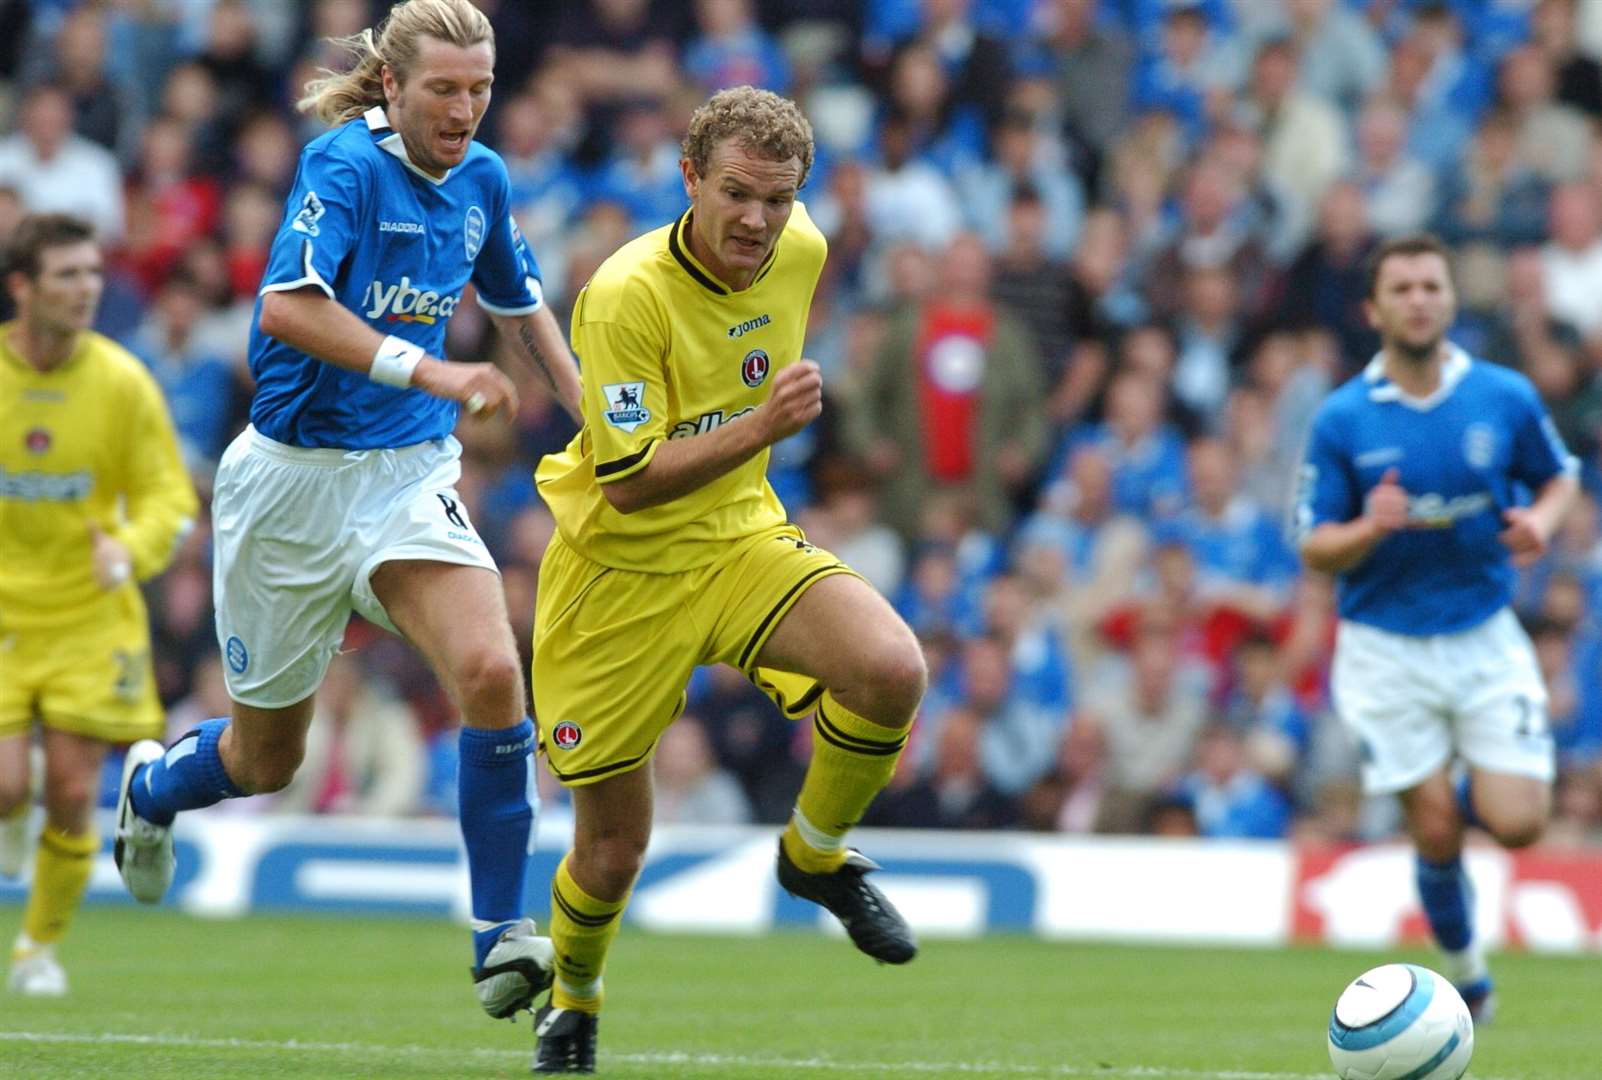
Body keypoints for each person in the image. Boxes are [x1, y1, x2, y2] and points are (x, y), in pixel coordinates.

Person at [110, 0, 582, 1023]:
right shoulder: (344, 165)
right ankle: (150, 794)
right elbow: (284, 307)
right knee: (264, 760)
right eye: (445, 90)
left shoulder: (484, 180)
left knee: (495, 669)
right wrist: (435, 369)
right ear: (392, 87)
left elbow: (517, 304)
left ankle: (500, 932)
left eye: (480, 90)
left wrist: (597, 424)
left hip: (404, 473)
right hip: (287, 484)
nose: (465, 111)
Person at [529, 86, 926, 1073]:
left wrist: (755, 441)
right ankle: (574, 1001)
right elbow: (625, 486)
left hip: (736, 541)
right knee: (615, 849)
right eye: (738, 193)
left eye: (780, 198)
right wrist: (762, 427)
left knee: (891, 668)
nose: (758, 220)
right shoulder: (625, 296)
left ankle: (814, 856)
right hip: (618, 577)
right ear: (689, 178)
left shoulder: (806, 251)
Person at [1296, 232, 1579, 1021]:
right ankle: (1467, 975)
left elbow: (1559, 477)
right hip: (1384, 648)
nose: (1419, 299)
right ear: (1374, 308)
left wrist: (1542, 522)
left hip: (1482, 637)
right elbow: (1313, 544)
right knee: (1434, 828)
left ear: (1450, 300)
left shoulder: (1503, 396)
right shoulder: (1343, 418)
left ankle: (1460, 785)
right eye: (1403, 288)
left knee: (1520, 824)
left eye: (1431, 286)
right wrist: (1369, 528)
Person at [0, 213, 198, 995]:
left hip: (91, 613)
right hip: (7, 616)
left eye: (93, 274)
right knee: (9, 787)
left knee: (76, 790)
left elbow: (168, 496)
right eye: (67, 276)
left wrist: (131, 551)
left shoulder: (121, 380)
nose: (88, 289)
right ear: (22, 286)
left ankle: (37, 949)